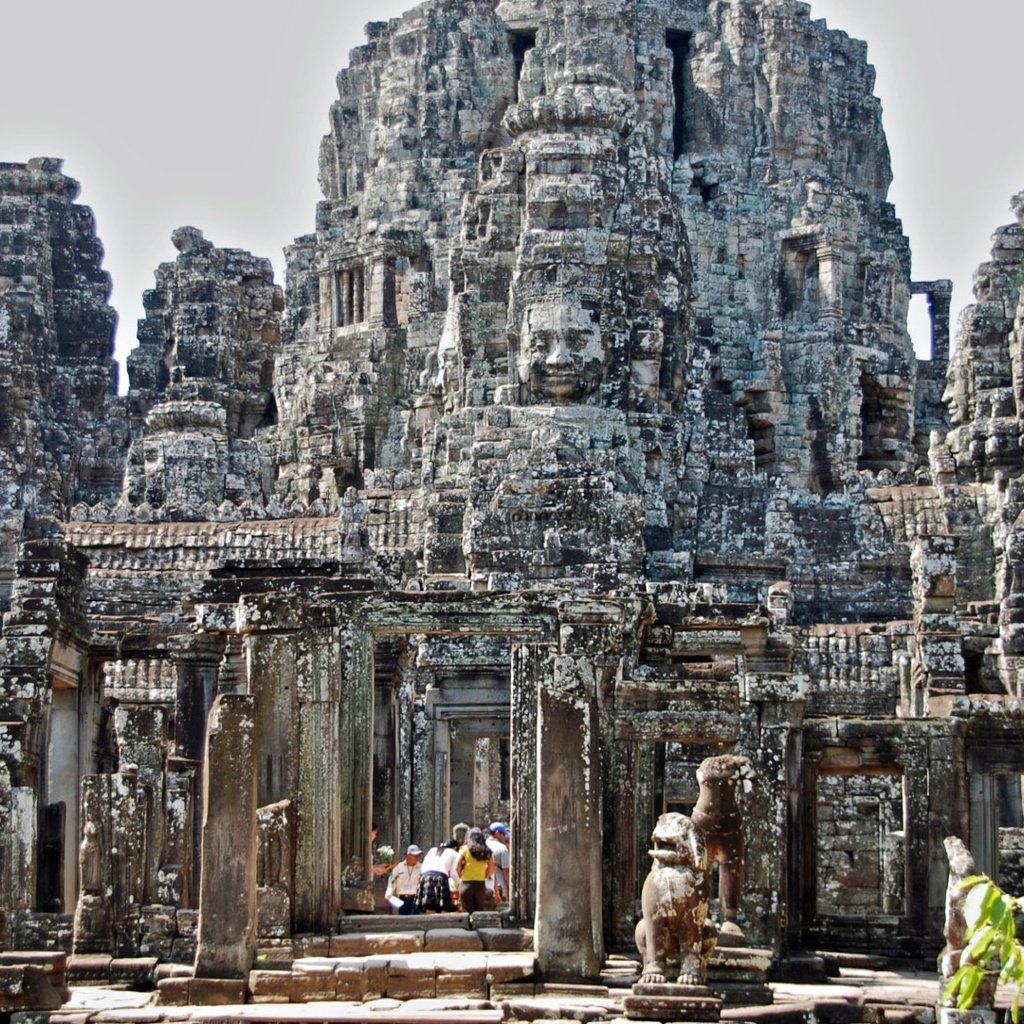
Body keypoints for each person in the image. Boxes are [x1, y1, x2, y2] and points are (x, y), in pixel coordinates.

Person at [456, 827, 494, 914]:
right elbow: (492, 868)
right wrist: (485, 876)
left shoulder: (464, 849)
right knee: (479, 912)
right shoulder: (487, 851)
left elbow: (457, 866)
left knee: (468, 913)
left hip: (466, 884)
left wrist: (460, 875)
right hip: (480, 885)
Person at [415, 838, 459, 913]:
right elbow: (453, 873)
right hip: (440, 878)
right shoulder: (454, 853)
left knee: (428, 905)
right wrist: (459, 885)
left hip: (425, 877)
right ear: (455, 848)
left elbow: (423, 867)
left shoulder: (432, 850)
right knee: (443, 907)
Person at [385, 844, 423, 915]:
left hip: (416, 899)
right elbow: (392, 880)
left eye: (418, 855)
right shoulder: (399, 867)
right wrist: (389, 892)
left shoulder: (421, 868)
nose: (418, 858)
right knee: (404, 920)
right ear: (408, 855)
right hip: (402, 899)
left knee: (415, 919)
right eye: (415, 856)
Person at [486, 822, 511, 906]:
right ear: (497, 833)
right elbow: (506, 871)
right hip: (500, 886)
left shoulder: (483, 845)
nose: (504, 836)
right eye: (503, 834)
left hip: (486, 885)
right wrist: (509, 887)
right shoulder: (502, 848)